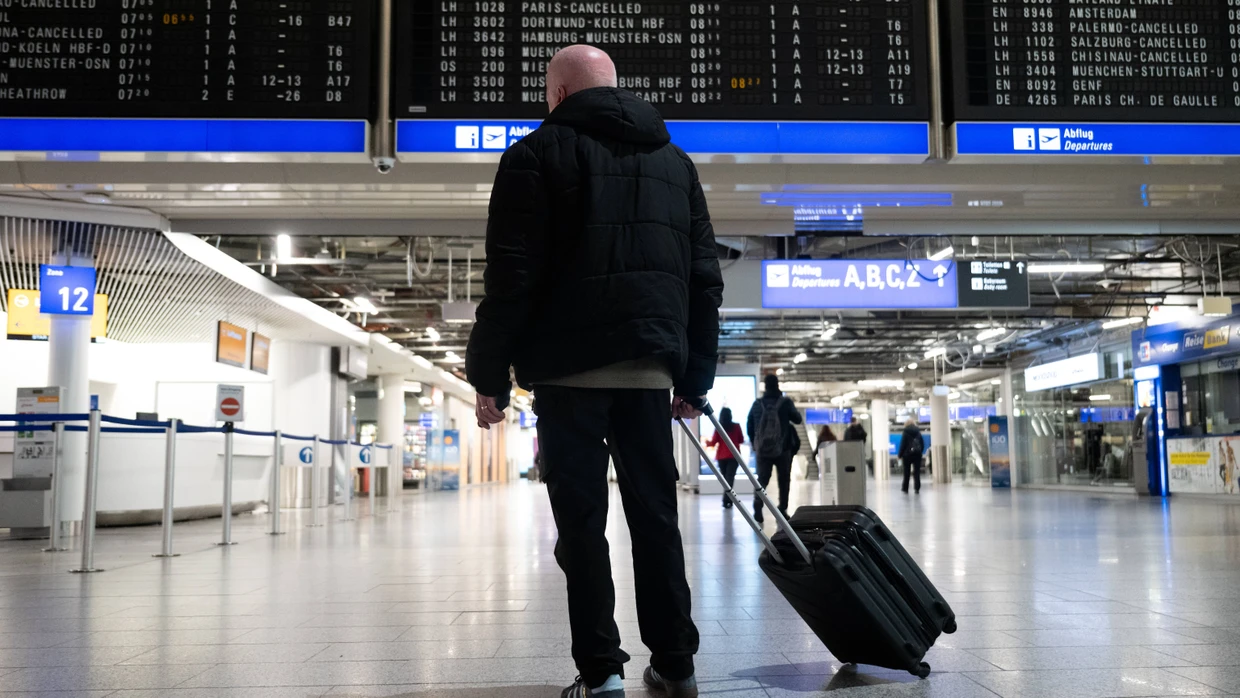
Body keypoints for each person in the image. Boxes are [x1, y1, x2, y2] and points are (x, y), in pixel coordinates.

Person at [465, 45, 723, 698]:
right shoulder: (675, 162)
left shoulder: (532, 156)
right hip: (648, 374)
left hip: (566, 375)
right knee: (656, 522)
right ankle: (676, 664)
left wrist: (489, 374)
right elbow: (702, 280)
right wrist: (694, 376)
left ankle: (603, 674)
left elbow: (512, 278)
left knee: (582, 528)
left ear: (556, 94)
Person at [746, 374, 803, 523]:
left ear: (765, 386)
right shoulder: (785, 402)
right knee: (784, 480)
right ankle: (782, 509)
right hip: (783, 449)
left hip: (763, 450)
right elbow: (798, 419)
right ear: (777, 385)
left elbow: (749, 424)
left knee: (762, 479)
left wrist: (755, 442)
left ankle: (758, 503)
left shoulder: (757, 404)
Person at [706, 407, 744, 508]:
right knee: (730, 479)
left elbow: (713, 442)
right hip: (734, 456)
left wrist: (706, 442)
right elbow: (741, 440)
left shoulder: (719, 427)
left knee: (725, 480)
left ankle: (727, 500)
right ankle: (728, 500)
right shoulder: (736, 426)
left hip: (721, 457)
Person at [898, 418, 925, 494]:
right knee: (917, 472)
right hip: (917, 454)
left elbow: (903, 444)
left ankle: (905, 488)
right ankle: (917, 488)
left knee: (906, 472)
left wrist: (900, 455)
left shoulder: (905, 431)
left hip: (907, 455)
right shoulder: (918, 431)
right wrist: (919, 452)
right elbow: (922, 444)